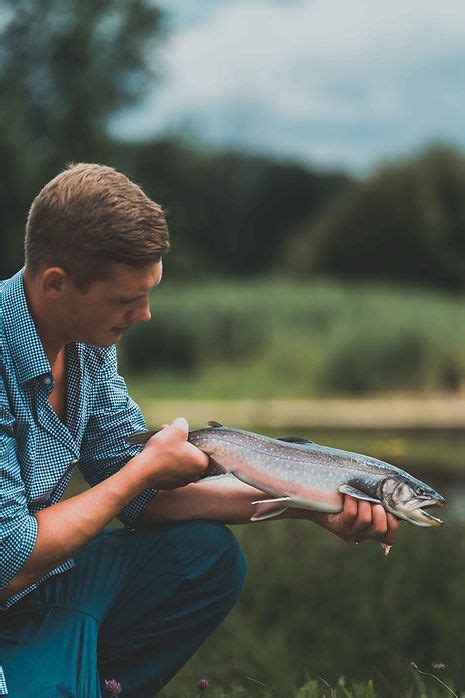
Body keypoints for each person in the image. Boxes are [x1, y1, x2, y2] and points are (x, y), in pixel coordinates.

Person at [0, 163, 398, 697]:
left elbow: (146, 501)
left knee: (204, 555)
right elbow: (11, 554)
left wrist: (311, 504)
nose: (143, 315)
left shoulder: (89, 347)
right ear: (55, 283)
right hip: (14, 574)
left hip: (37, 587)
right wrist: (143, 471)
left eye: (150, 292)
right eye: (125, 300)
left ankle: (80, 679)